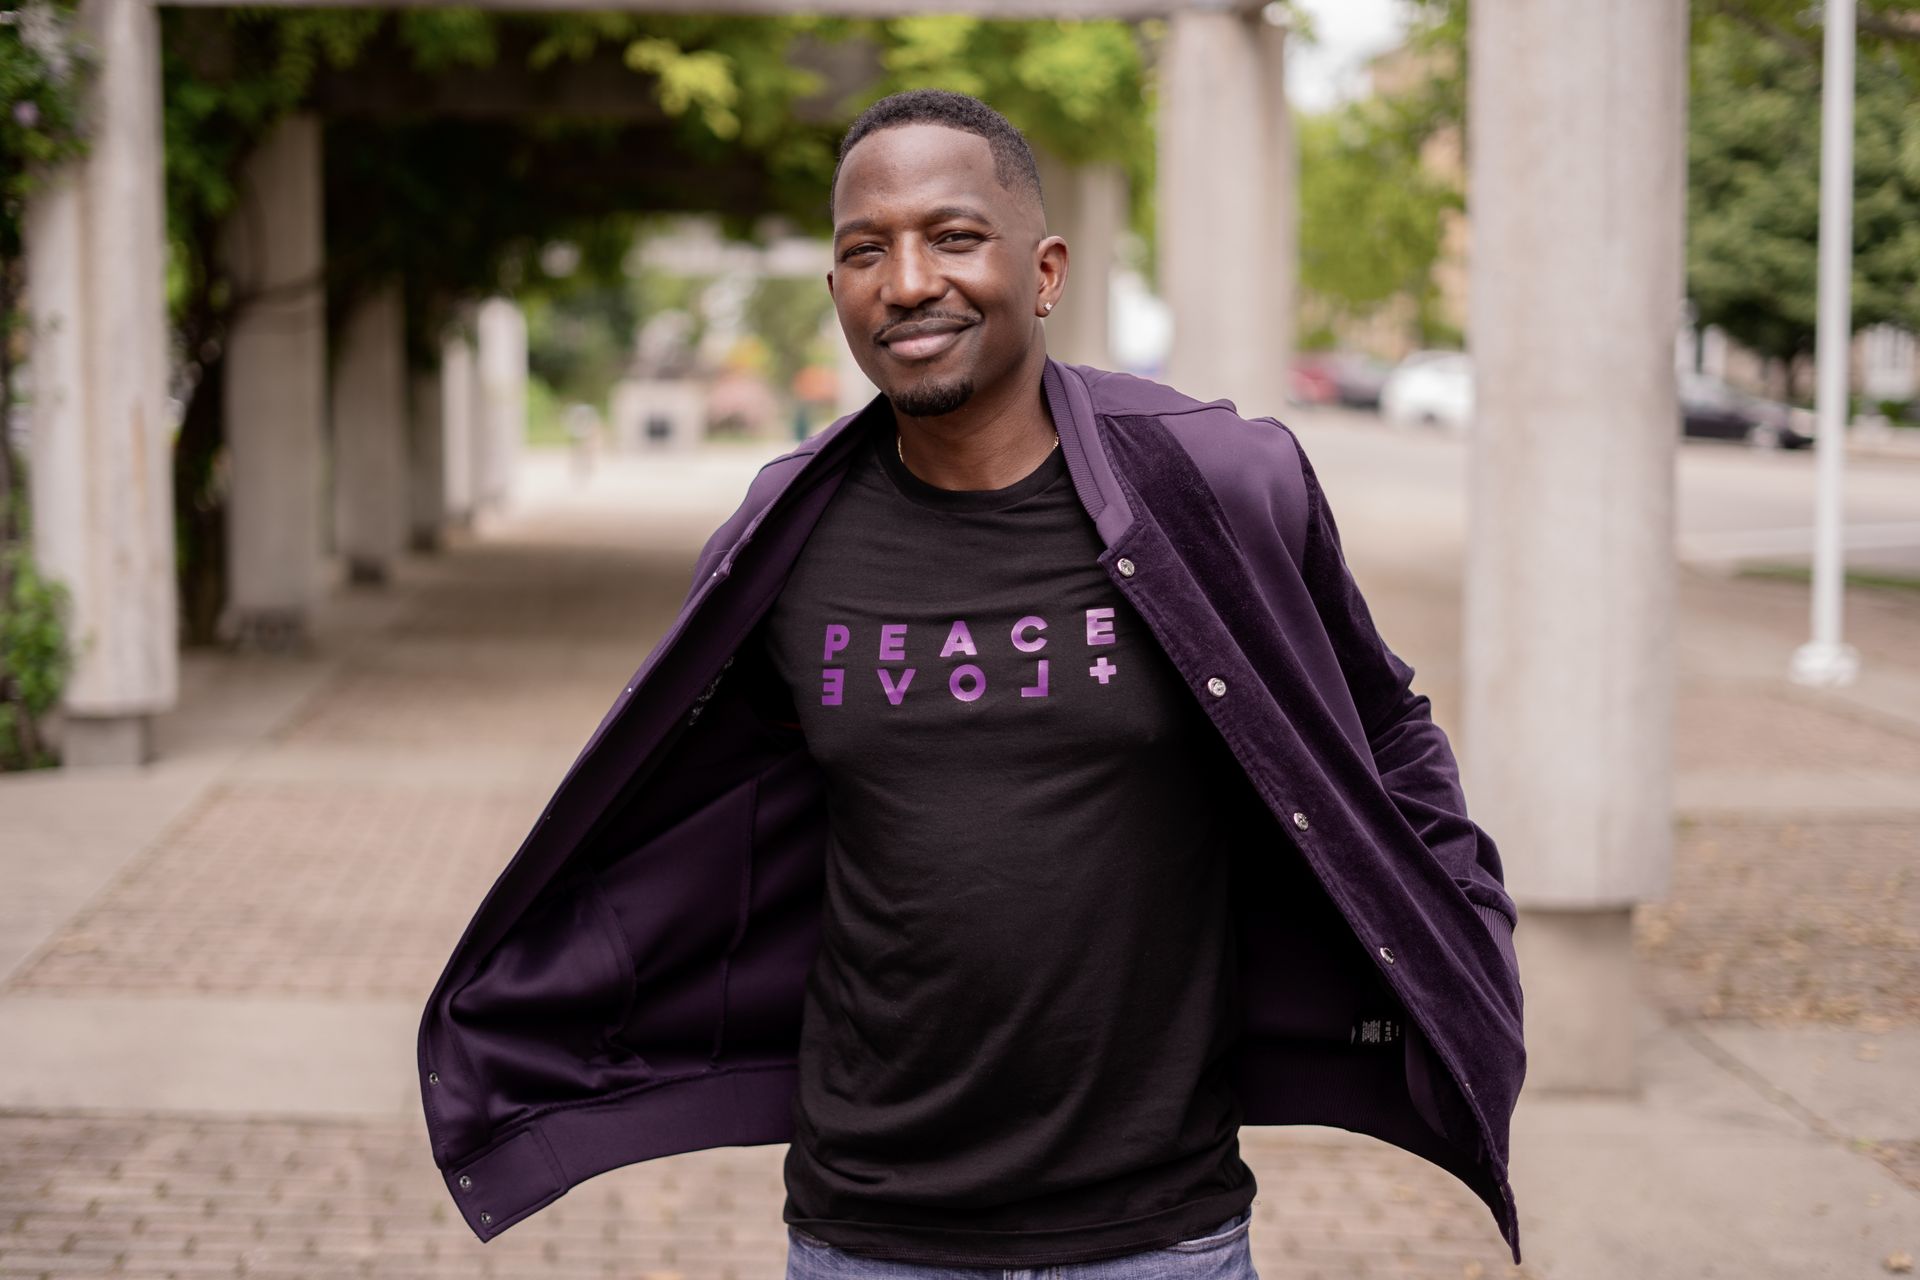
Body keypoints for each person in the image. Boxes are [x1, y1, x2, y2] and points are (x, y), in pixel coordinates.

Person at [415, 89, 1526, 1279]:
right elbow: (702, 810)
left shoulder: (1212, 484)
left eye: (952, 236)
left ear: (1043, 270)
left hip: (1159, 1231)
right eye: (863, 249)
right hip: (868, 1231)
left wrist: (1465, 913)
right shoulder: (784, 539)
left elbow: (1384, 722)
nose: (906, 281)